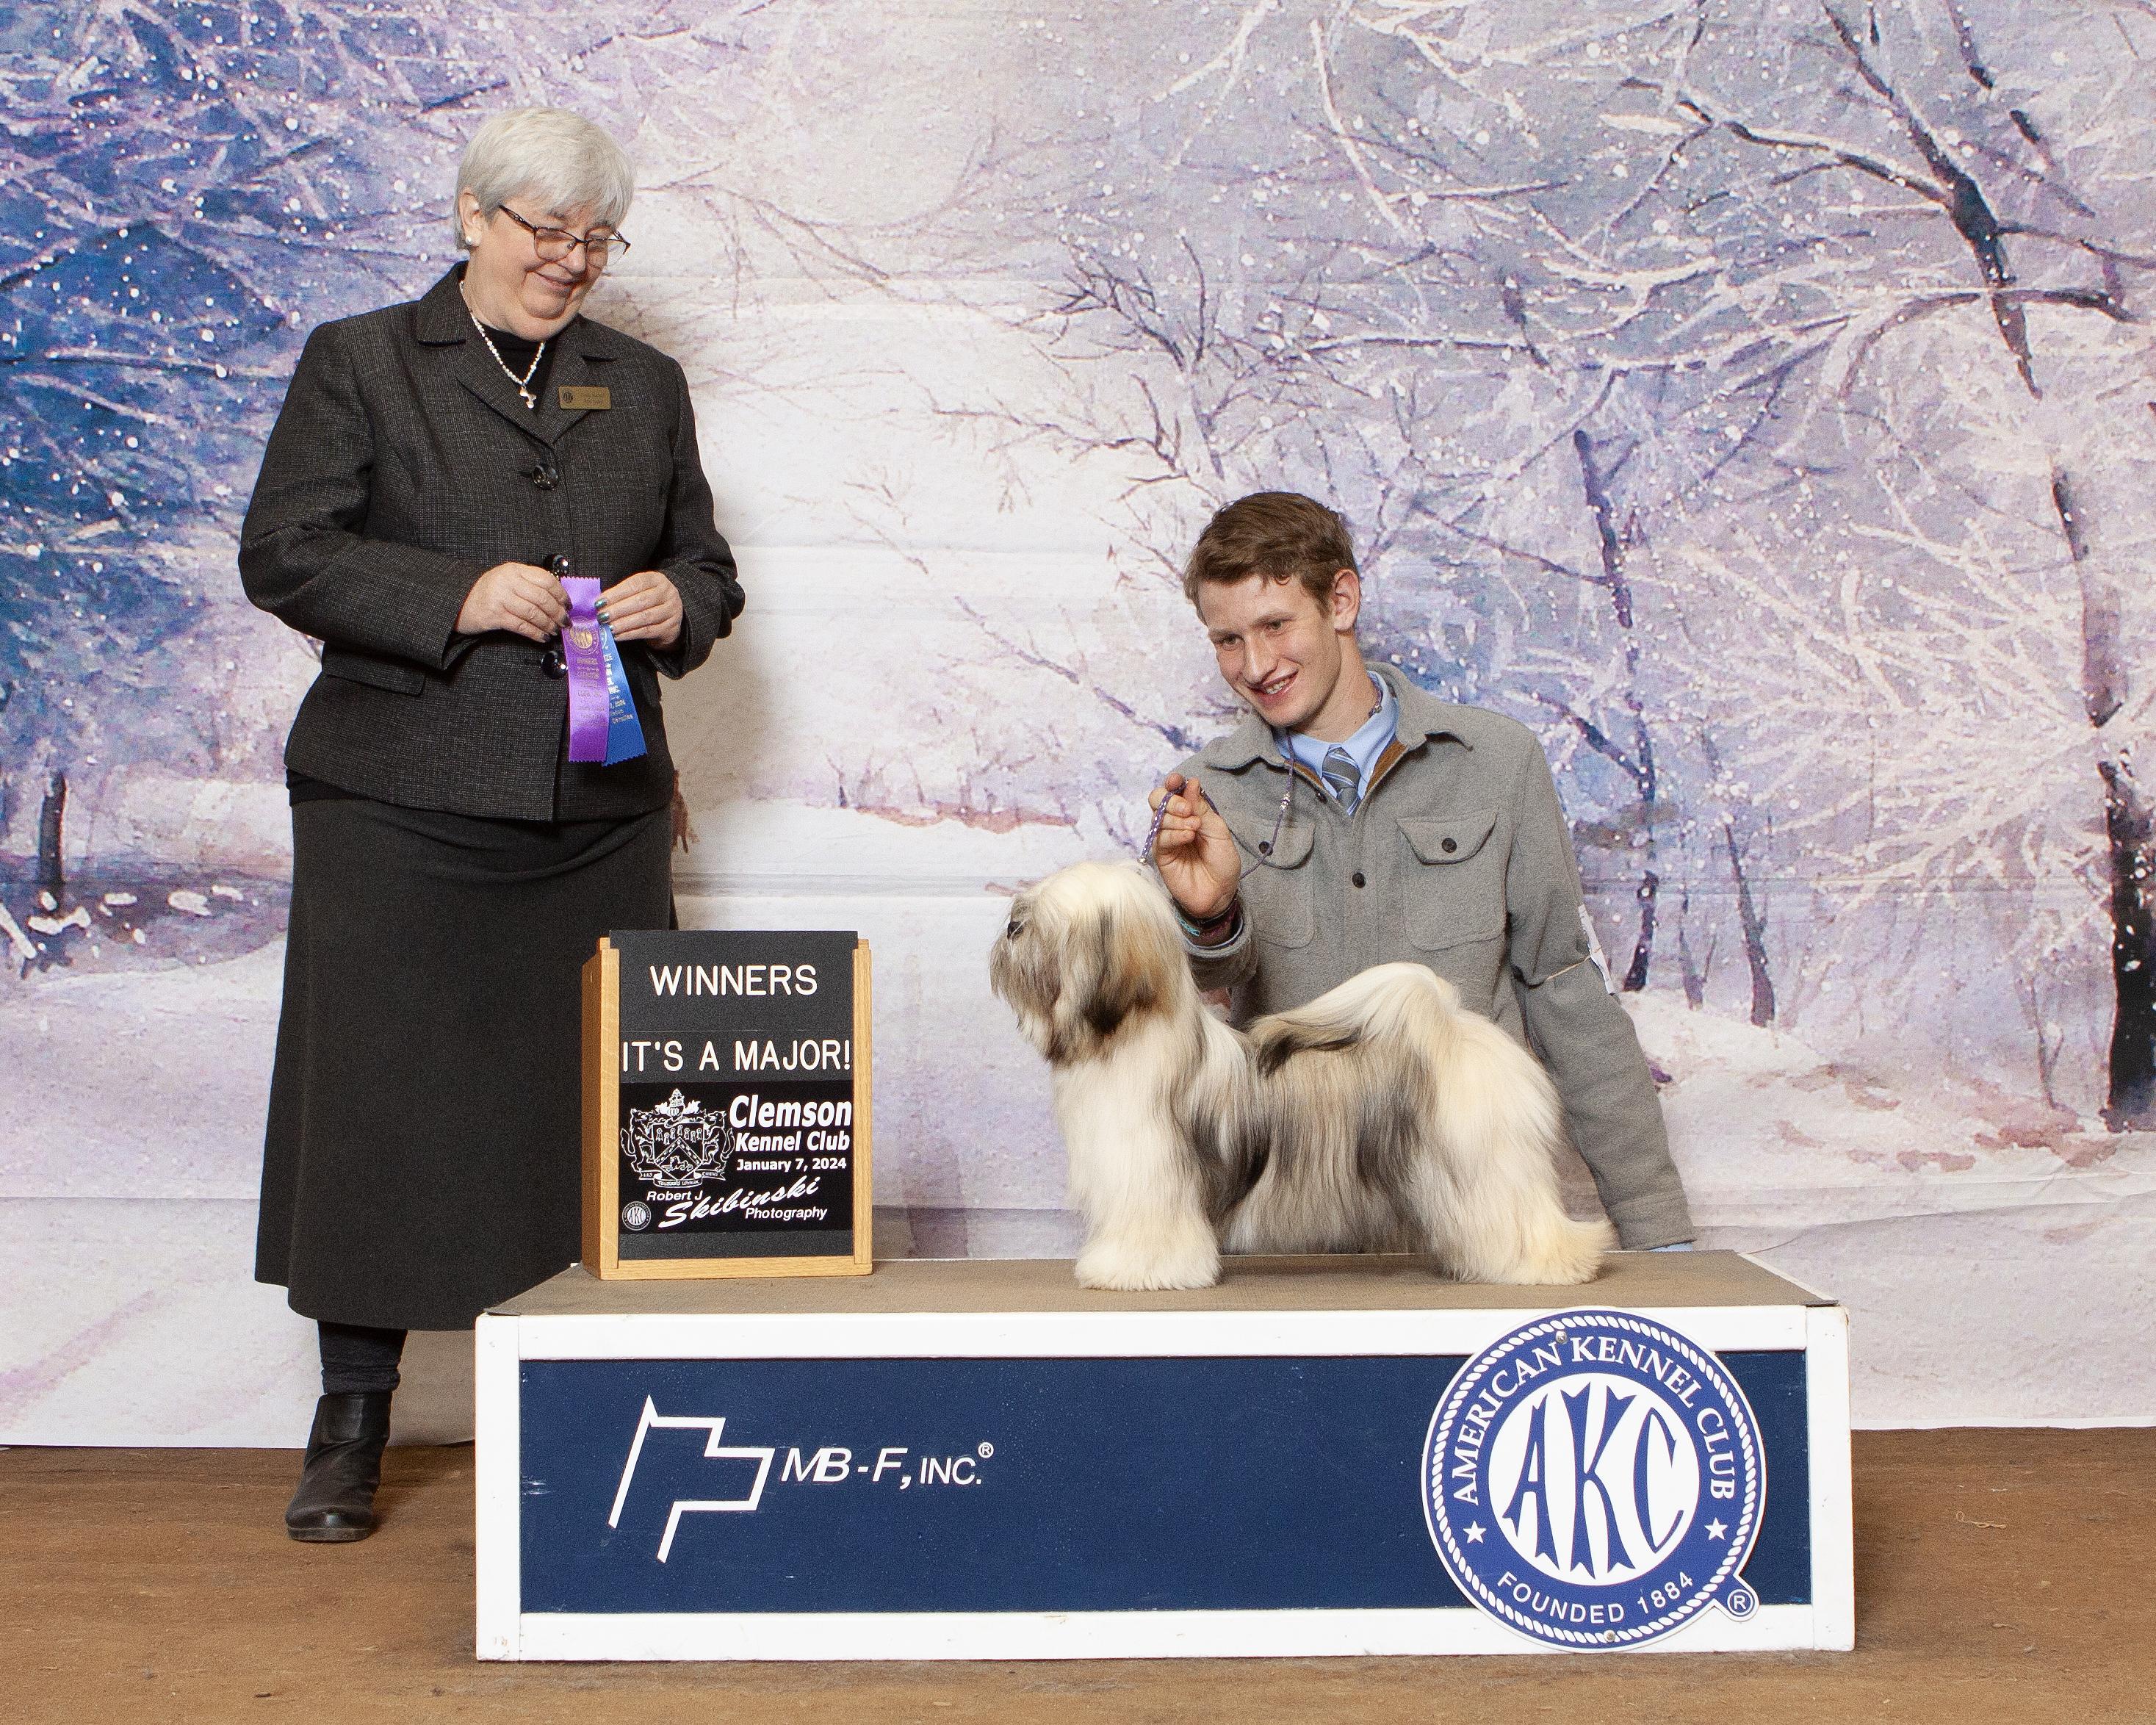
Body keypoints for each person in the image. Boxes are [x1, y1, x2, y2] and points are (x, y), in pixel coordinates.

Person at [241, 107, 744, 1541]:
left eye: (597, 239)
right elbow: (286, 551)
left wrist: (679, 603)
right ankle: (353, 1415)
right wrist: (452, 597)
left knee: (597, 1118)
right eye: (547, 231)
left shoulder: (643, 385)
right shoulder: (360, 361)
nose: (572, 261)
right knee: (377, 1109)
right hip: (396, 802)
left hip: (598, 808)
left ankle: (604, 1414)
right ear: (473, 217)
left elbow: (708, 566)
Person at [1147, 492, 1693, 1252]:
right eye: (1227, 640)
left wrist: (1657, 1230)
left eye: (1275, 625)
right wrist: (1207, 917)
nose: (1256, 665)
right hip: (1289, 1245)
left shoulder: (1497, 762)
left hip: (1473, 1232)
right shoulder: (1201, 793)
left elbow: (1565, 992)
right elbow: (1168, 1037)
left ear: (1341, 600)